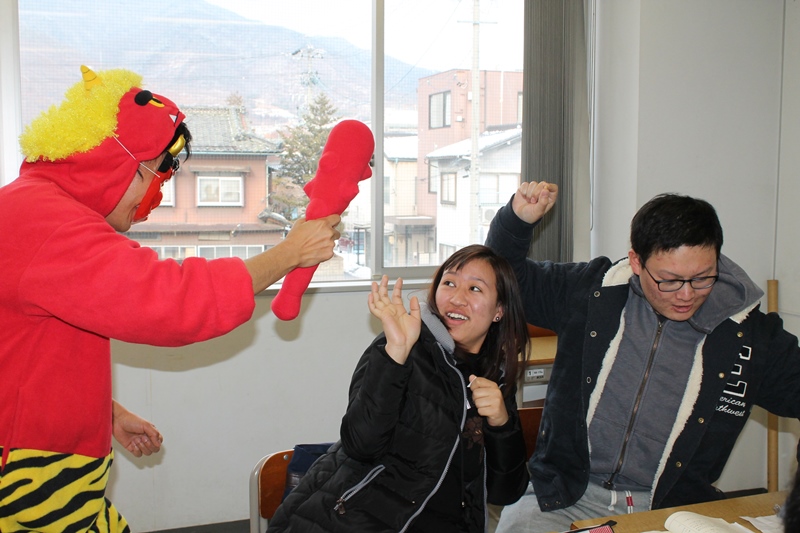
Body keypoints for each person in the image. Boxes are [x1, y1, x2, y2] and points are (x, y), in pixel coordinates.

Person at [0, 66, 341, 532]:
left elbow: (25, 352)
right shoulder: (46, 223)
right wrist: (289, 252)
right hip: (32, 475)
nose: (150, 198)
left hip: (46, 461)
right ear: (113, 162)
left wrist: (105, 414)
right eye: (148, 177)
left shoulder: (33, 210)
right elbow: (171, 301)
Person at [485, 182, 800, 533]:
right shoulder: (591, 292)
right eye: (669, 280)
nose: (686, 294)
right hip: (564, 494)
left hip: (673, 505)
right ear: (636, 261)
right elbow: (504, 278)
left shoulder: (751, 336)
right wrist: (515, 223)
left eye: (702, 278)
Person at [267, 245, 531, 532]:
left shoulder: (495, 377)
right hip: (352, 520)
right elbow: (360, 445)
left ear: (499, 311)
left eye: (475, 289)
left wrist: (502, 424)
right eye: (449, 283)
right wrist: (395, 354)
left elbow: (505, 493)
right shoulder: (402, 345)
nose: (457, 298)